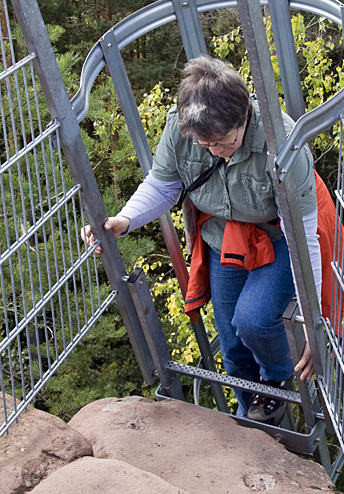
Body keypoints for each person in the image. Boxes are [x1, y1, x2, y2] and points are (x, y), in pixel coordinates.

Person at [84, 55, 321, 426]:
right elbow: (163, 186)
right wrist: (124, 220)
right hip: (222, 238)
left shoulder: (285, 145)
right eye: (204, 143)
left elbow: (303, 236)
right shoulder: (182, 132)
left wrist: (311, 316)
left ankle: (276, 380)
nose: (214, 151)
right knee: (231, 344)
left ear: (244, 117)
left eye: (223, 142)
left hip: (275, 238)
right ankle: (251, 418)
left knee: (254, 320)